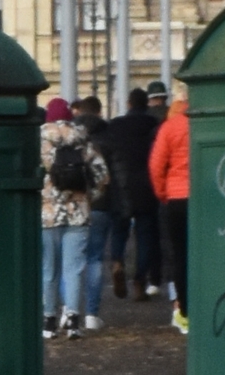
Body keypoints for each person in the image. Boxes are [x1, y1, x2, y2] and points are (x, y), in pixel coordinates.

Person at [38, 99, 108, 341]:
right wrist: (88, 197)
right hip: (78, 214)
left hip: (47, 215)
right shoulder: (83, 139)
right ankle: (73, 321)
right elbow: (101, 175)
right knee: (74, 269)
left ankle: (48, 322)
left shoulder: (40, 140)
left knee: (48, 270)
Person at [97, 86, 164, 300]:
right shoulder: (153, 126)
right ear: (146, 104)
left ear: (128, 104)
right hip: (147, 187)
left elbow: (105, 154)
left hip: (121, 187)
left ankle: (117, 261)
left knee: (120, 231)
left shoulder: (115, 126)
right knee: (145, 236)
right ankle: (139, 280)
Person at [149, 83, 192, 334]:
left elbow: (156, 166)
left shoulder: (169, 127)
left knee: (179, 254)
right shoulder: (200, 124)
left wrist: (162, 193)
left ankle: (185, 309)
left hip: (175, 197)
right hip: (203, 197)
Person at [74, 95, 115, 331]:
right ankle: (91, 313)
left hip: (73, 204)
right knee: (95, 257)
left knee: (70, 262)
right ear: (99, 112)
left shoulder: (70, 137)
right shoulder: (108, 134)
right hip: (100, 205)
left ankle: (69, 312)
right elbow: (110, 175)